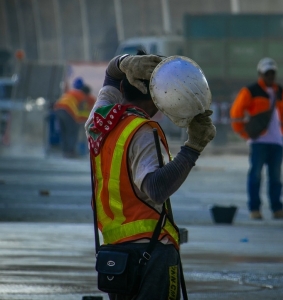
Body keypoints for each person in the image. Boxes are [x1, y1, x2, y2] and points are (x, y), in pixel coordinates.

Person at [85, 53, 215, 299]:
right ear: (159, 98)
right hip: (152, 252)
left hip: (115, 253)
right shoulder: (144, 130)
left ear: (123, 86)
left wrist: (124, 62)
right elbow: (155, 188)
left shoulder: (99, 122)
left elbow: (111, 76)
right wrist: (193, 148)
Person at [230, 57, 283, 220]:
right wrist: (245, 134)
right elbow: (236, 114)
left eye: (272, 73)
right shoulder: (250, 91)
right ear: (260, 74)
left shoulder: (281, 92)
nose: (270, 76)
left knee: (276, 178)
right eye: (267, 73)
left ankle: (277, 209)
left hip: (276, 142)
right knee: (256, 176)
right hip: (259, 143)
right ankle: (254, 209)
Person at [53, 77, 92, 158]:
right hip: (67, 112)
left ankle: (65, 151)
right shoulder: (82, 96)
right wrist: (84, 119)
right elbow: (82, 110)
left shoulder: (71, 92)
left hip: (57, 110)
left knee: (64, 132)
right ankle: (71, 152)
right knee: (72, 132)